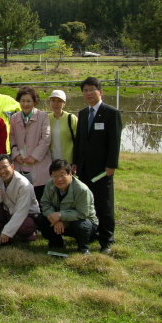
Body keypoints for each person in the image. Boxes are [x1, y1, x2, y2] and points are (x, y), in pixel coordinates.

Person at [72, 77, 122, 256]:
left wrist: (111, 165)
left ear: (100, 91)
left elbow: (114, 142)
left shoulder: (111, 113)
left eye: (92, 89)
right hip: (84, 168)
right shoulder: (83, 113)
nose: (88, 93)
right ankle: (91, 233)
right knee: (86, 202)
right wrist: (75, 161)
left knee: (104, 204)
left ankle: (107, 240)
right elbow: (79, 141)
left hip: (102, 169)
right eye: (85, 90)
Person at [37, 159, 98, 255]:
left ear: (70, 174)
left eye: (62, 175)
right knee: (41, 218)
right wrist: (54, 218)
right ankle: (56, 243)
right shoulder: (50, 184)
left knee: (81, 225)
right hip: (58, 220)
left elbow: (82, 213)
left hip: (82, 221)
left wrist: (61, 216)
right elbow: (45, 203)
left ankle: (83, 248)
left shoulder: (82, 189)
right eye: (55, 176)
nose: (59, 179)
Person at [9, 86, 52, 204]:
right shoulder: (14, 117)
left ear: (35, 102)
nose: (25, 104)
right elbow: (11, 138)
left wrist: (35, 156)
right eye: (23, 101)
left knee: (40, 198)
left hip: (39, 163)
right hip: (20, 162)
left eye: (29, 101)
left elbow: (46, 138)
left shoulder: (43, 116)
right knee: (22, 197)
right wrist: (16, 154)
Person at [0, 154, 40, 247]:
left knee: (24, 228)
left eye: (4, 167)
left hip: (27, 214)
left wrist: (7, 232)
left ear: (12, 166)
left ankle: (31, 231)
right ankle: (1, 237)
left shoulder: (24, 185)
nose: (2, 171)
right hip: (8, 210)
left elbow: (21, 211)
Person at [48, 90, 78, 163]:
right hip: (51, 161)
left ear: (64, 103)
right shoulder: (47, 118)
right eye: (53, 100)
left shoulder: (71, 118)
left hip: (68, 161)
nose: (55, 104)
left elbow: (79, 141)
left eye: (59, 101)